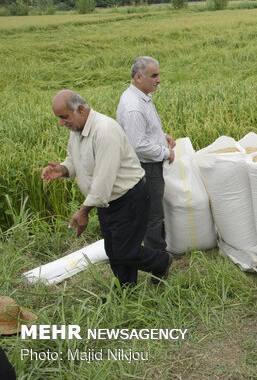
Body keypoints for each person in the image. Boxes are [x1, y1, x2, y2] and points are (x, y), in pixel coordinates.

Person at [42, 90, 172, 287]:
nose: (61, 123)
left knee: (126, 251)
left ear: (80, 109)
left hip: (129, 198)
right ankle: (125, 292)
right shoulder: (77, 131)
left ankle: (162, 261)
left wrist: (84, 211)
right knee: (113, 250)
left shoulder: (104, 131)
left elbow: (103, 180)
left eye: (64, 117)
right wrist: (62, 169)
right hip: (108, 202)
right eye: (59, 118)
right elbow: (74, 159)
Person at [117, 56, 175, 254]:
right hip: (147, 168)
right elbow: (139, 145)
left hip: (148, 164)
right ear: (139, 77)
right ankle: (158, 260)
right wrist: (165, 152)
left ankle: (155, 252)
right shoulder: (134, 106)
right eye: (154, 76)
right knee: (153, 215)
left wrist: (162, 137)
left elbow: (142, 132)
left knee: (152, 212)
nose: (158, 80)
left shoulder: (143, 97)